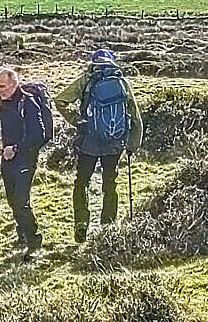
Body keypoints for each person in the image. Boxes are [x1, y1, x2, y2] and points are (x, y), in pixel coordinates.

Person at [54, 48, 143, 244]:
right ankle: (108, 226)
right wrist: (132, 145)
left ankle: (81, 223)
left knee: (82, 182)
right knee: (110, 183)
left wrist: (76, 120)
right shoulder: (122, 82)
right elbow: (136, 117)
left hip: (89, 142)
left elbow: (60, 100)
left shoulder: (87, 79)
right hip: (115, 143)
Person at [0, 67, 46, 260]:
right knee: (12, 200)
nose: (0, 90)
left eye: (3, 86)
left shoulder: (28, 103)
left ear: (14, 83)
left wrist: (15, 148)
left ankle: (34, 243)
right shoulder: (1, 101)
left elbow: (38, 134)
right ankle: (22, 234)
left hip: (25, 158)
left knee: (22, 202)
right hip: (7, 159)